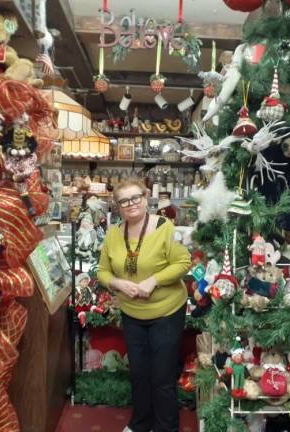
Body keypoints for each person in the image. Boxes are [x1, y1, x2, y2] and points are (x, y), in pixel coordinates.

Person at [97, 179, 191, 432]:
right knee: (139, 374)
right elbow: (102, 271)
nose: (131, 205)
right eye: (124, 201)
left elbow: (184, 263)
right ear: (117, 206)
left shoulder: (165, 227)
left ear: (146, 196)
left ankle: (166, 427)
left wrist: (154, 280)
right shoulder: (114, 233)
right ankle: (140, 424)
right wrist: (117, 283)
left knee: (162, 377)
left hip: (167, 311)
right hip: (131, 312)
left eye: (135, 198)